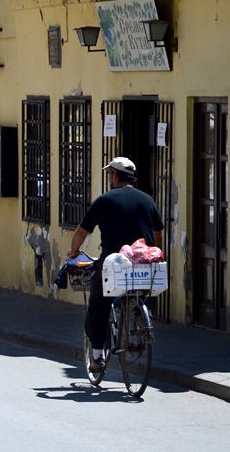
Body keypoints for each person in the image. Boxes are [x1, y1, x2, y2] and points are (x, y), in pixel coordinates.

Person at [66, 157, 164, 371]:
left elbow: (82, 231)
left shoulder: (105, 200)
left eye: (111, 173)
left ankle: (98, 356)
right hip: (144, 265)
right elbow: (158, 235)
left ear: (116, 175)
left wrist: (73, 252)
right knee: (136, 292)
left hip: (114, 265)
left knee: (98, 304)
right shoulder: (148, 200)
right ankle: (137, 315)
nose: (111, 177)